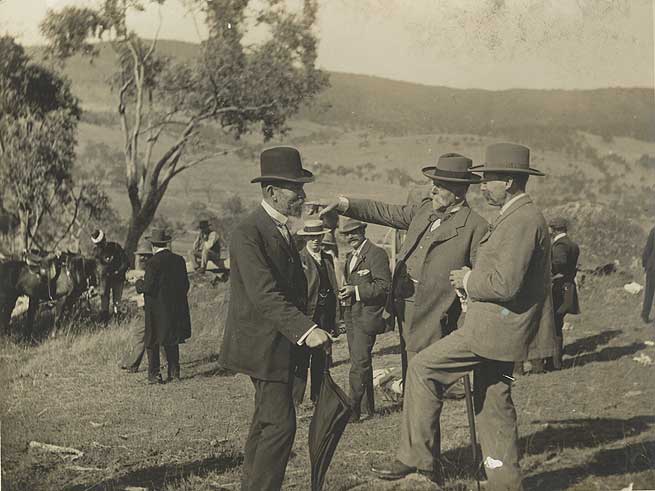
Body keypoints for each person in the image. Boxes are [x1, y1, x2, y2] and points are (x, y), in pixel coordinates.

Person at [371, 143, 556, 489]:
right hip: (502, 329)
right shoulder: (517, 216)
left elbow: (505, 284)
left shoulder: (521, 220)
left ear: (511, 182)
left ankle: (417, 459)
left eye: (489, 180)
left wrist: (468, 279)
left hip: (493, 330)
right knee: (493, 403)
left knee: (424, 368)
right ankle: (505, 482)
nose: (482, 186)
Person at [321, 153, 488, 392]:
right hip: (403, 308)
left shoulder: (476, 226)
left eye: (439, 186)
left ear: (459, 191)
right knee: (413, 375)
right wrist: (343, 204)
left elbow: (477, 281)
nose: (432, 190)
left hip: (435, 316)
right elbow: (383, 212)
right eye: (433, 184)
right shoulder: (423, 211)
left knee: (426, 383)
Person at [219, 146, 333, 491]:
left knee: (265, 423)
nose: (302, 196)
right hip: (262, 347)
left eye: (302, 188)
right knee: (280, 426)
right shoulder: (248, 232)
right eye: (295, 189)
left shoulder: (281, 230)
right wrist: (307, 330)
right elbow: (265, 294)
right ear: (271, 192)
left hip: (278, 344)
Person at [338, 217, 391, 422]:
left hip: (367, 318)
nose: (350, 237)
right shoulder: (351, 256)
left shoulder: (376, 254)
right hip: (352, 316)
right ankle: (368, 409)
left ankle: (352, 412)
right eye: (346, 234)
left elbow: (384, 286)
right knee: (361, 362)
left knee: (358, 364)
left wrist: (356, 290)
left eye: (354, 232)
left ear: (363, 231)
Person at [292, 220, 339, 406]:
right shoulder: (299, 259)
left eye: (318, 237)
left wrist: (335, 319)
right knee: (301, 361)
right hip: (306, 318)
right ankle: (294, 402)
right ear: (305, 239)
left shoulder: (327, 259)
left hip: (324, 317)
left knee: (322, 360)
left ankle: (318, 400)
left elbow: (333, 289)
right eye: (311, 238)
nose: (315, 241)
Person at [135, 229, 191, 384]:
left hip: (156, 310)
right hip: (175, 309)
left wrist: (137, 283)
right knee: (171, 340)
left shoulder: (152, 263)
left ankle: (154, 375)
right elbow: (185, 285)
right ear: (166, 243)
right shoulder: (179, 260)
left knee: (152, 340)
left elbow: (148, 287)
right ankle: (174, 373)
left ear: (153, 246)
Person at [546, 216, 580, 370]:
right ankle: (556, 362)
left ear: (553, 229)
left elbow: (560, 263)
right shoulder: (572, 244)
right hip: (569, 287)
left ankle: (554, 363)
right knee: (557, 324)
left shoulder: (559, 245)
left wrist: (547, 269)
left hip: (559, 288)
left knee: (553, 325)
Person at [119, 248, 153, 373]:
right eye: (140, 256)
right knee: (151, 336)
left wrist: (137, 282)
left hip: (146, 308)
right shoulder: (147, 270)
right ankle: (167, 363)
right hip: (144, 307)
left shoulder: (149, 271)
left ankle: (132, 365)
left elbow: (146, 289)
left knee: (140, 336)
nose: (141, 259)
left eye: (143, 256)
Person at [91, 229, 129, 321]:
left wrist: (118, 272)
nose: (100, 245)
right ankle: (105, 322)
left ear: (104, 239)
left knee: (117, 302)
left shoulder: (115, 247)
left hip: (117, 279)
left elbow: (126, 262)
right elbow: (94, 268)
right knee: (104, 303)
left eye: (101, 242)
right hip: (104, 281)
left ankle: (118, 322)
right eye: (98, 244)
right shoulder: (96, 252)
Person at [642, 225, 655, 323]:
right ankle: (645, 315)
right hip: (652, 267)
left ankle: (645, 315)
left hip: (651, 267)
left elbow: (647, 249)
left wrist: (645, 264)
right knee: (649, 292)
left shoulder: (654, 230)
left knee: (649, 292)